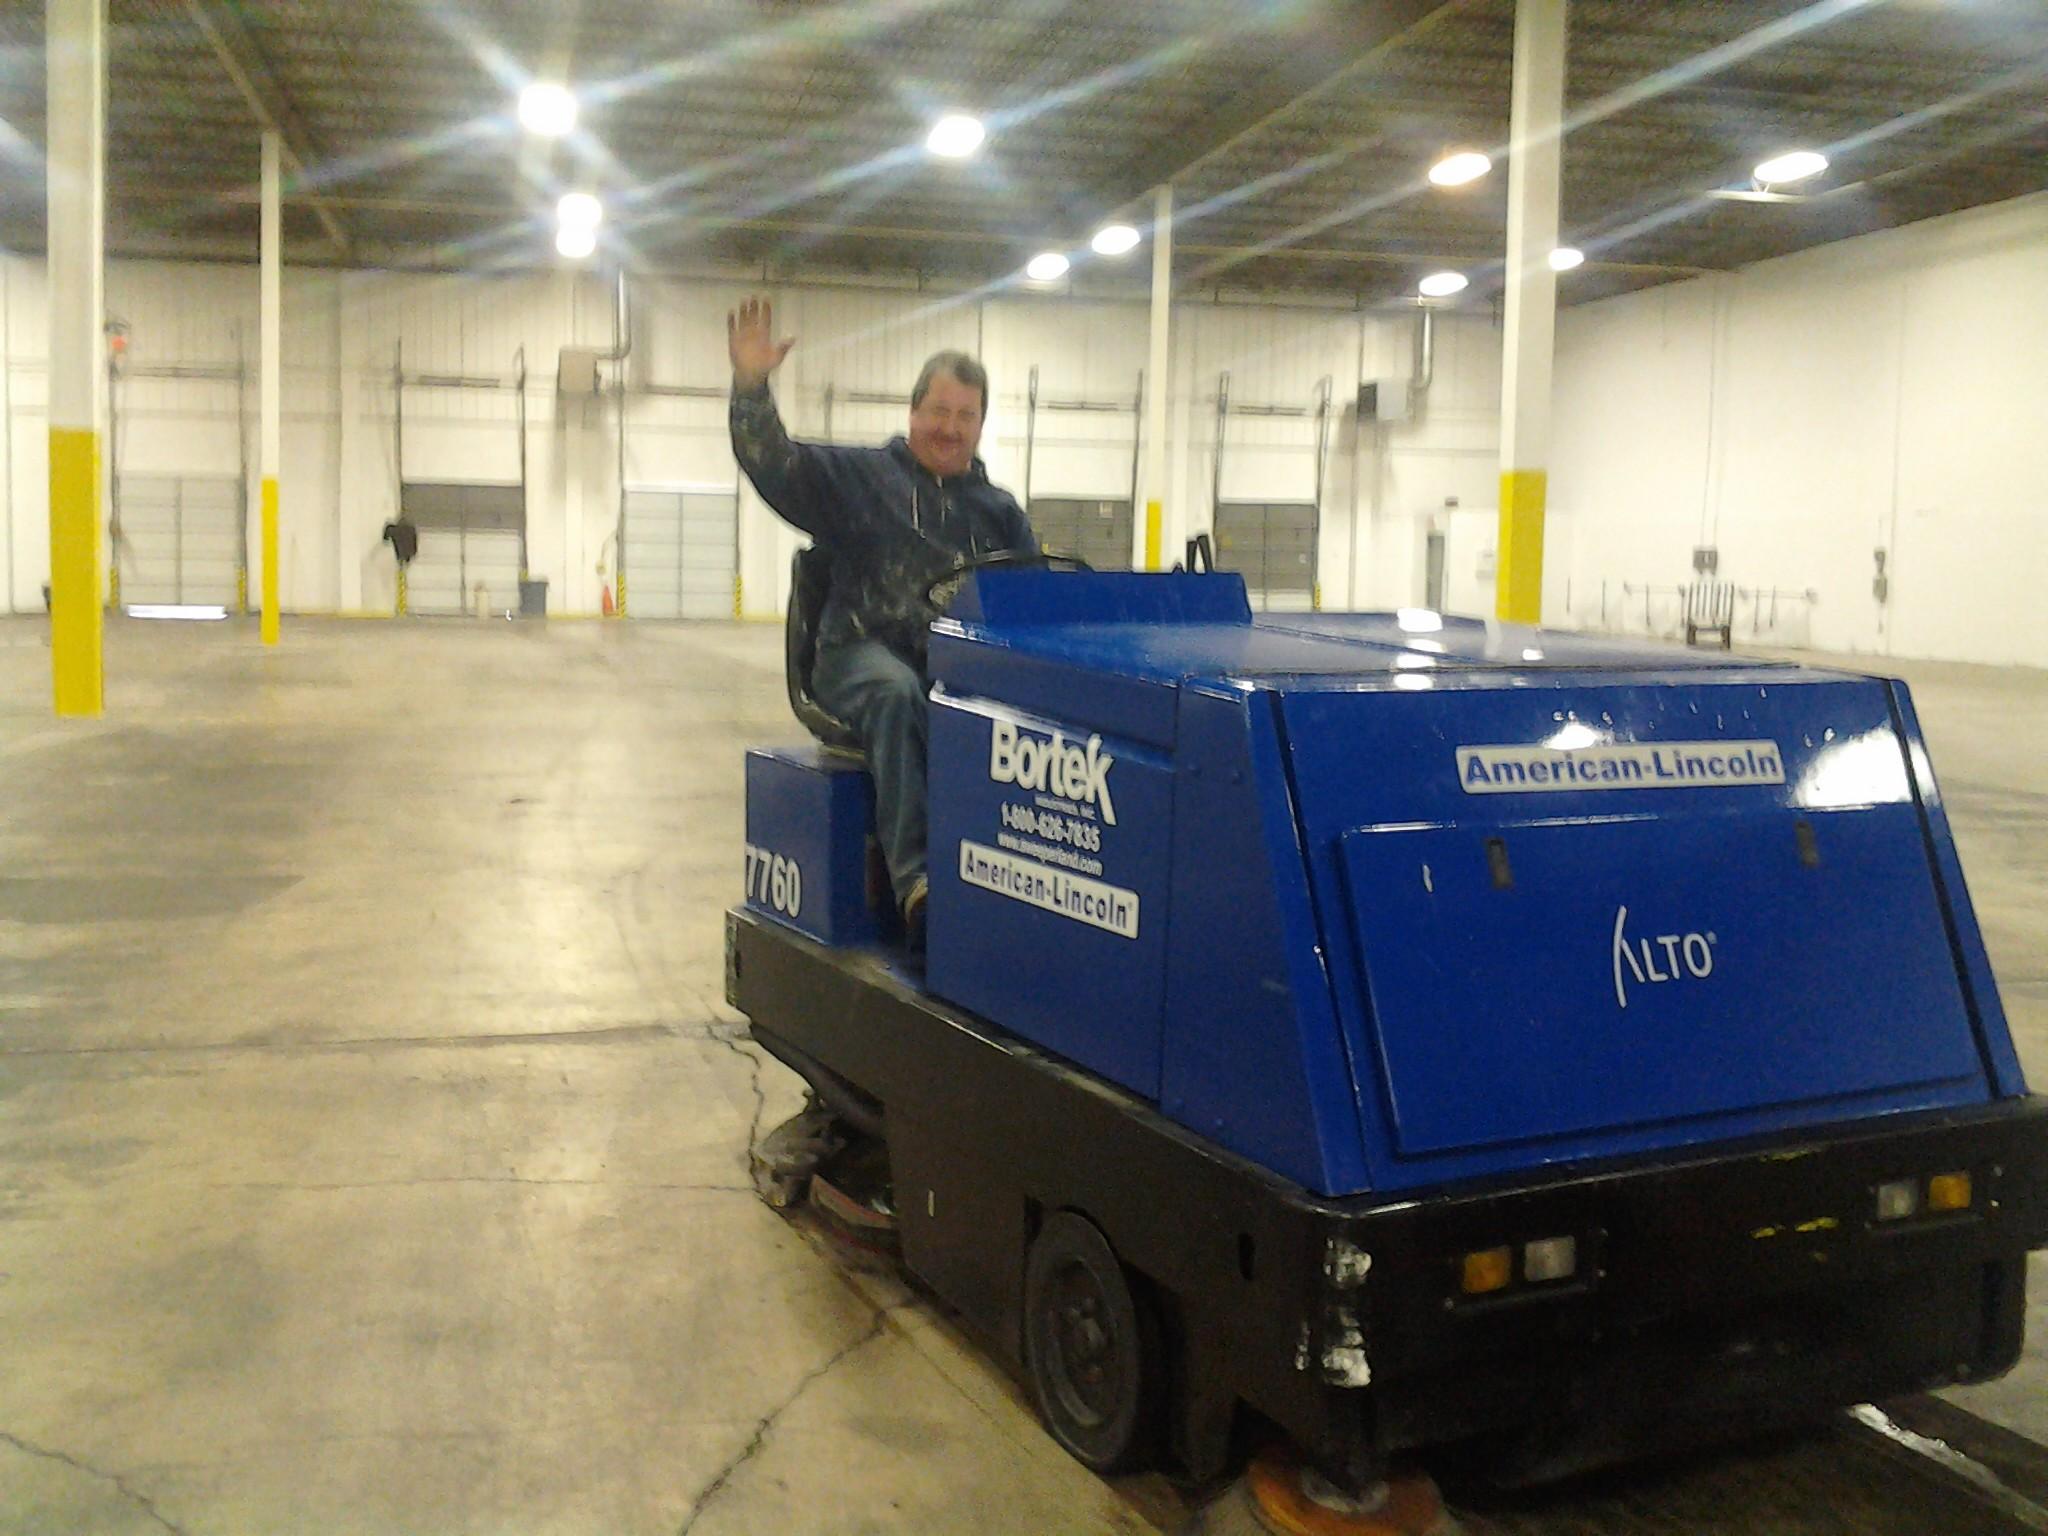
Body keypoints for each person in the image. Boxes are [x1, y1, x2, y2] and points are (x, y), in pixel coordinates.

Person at [728, 296, 1037, 946]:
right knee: (900, 695)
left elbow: (1031, 605)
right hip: (858, 656)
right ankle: (919, 888)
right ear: (913, 412)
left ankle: (1014, 881)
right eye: (939, 412)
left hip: (953, 665)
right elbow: (774, 464)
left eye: (965, 416)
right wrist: (752, 388)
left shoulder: (999, 513)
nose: (950, 428)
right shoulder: (860, 479)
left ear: (981, 425)